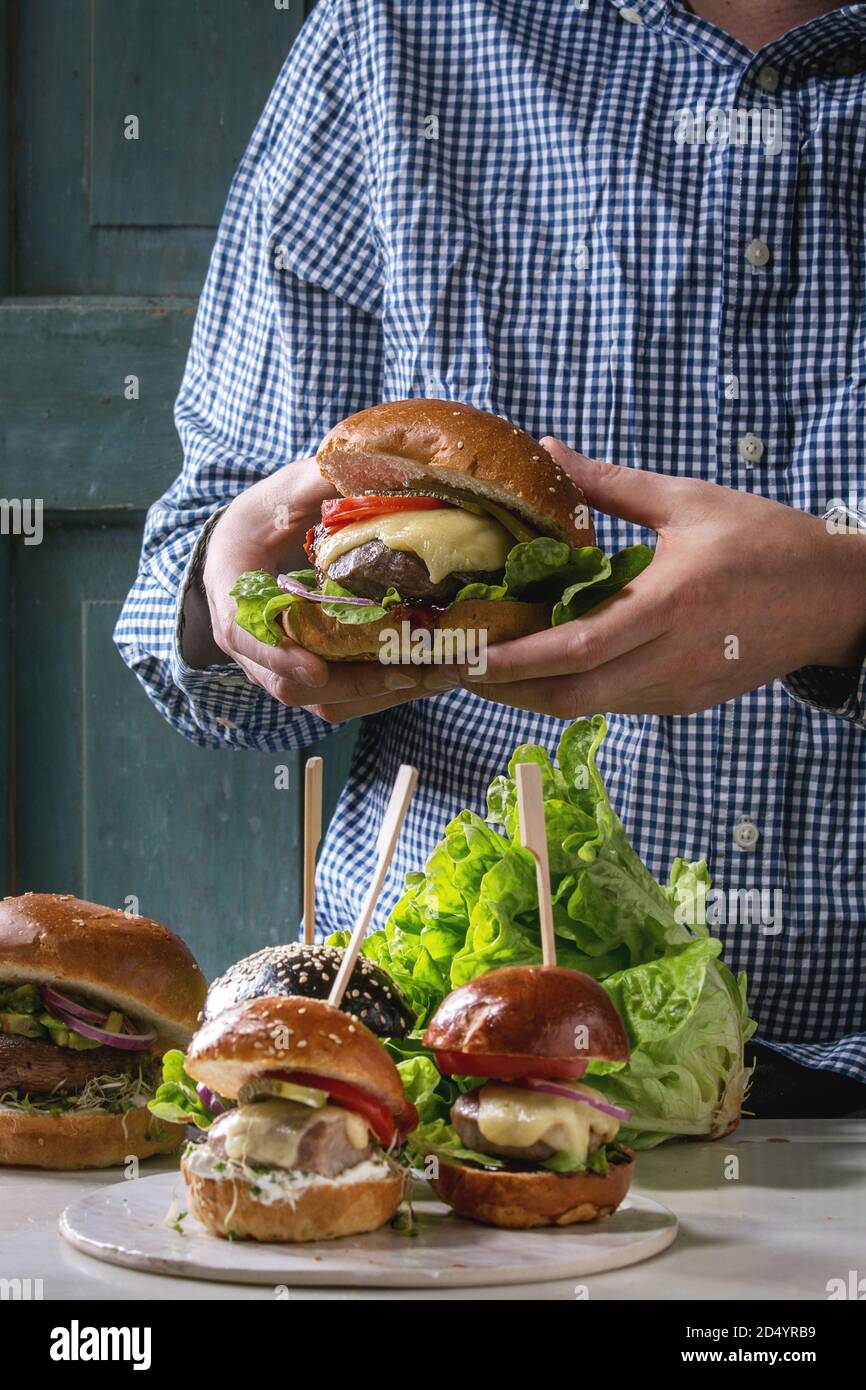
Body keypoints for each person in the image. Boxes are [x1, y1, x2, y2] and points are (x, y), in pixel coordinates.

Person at [116, 0, 866, 1116]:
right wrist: (236, 604)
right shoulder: (396, 31)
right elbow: (191, 592)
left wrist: (845, 602)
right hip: (449, 1073)